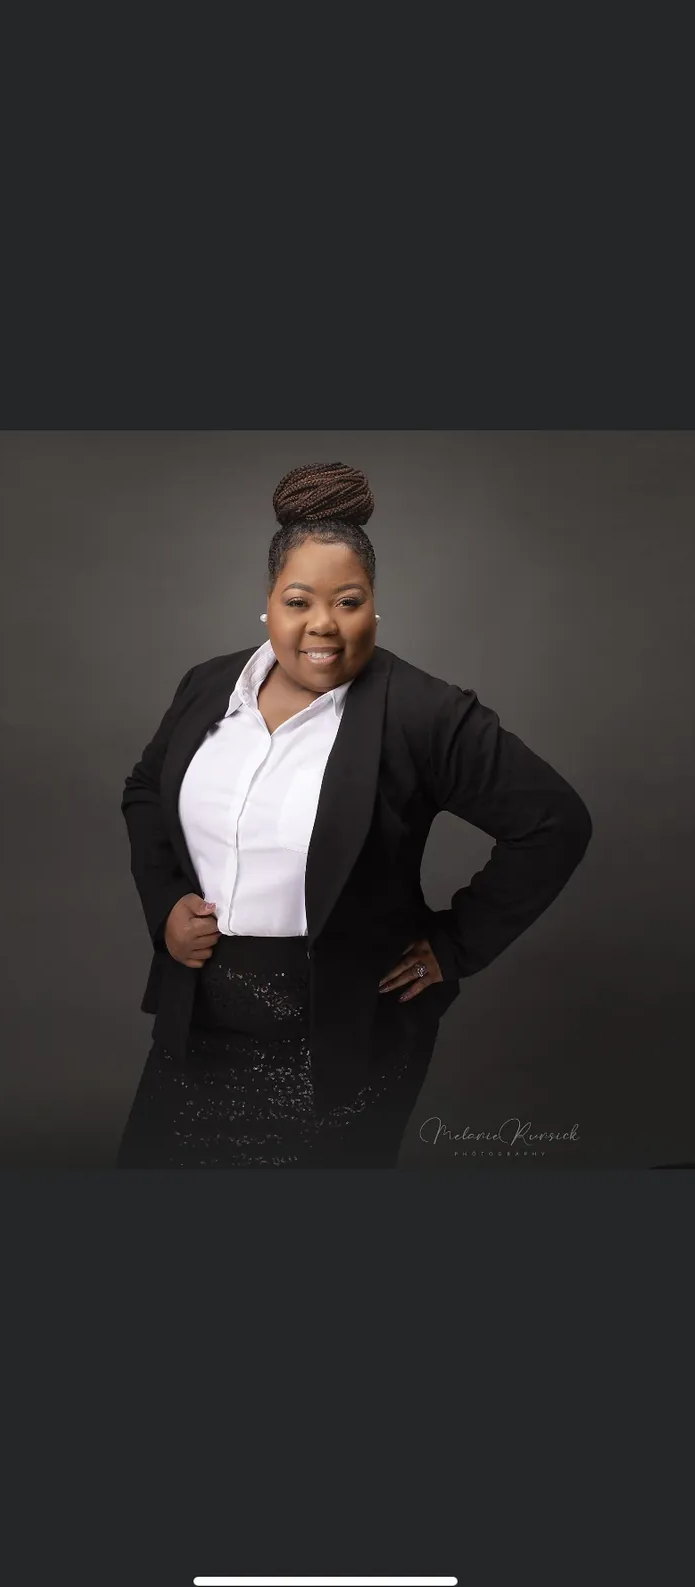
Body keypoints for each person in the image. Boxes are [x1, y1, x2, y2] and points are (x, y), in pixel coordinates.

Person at [116, 461, 592, 1169]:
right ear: (268, 603)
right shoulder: (209, 687)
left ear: (374, 605)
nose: (323, 625)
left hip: (343, 1043)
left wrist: (452, 946)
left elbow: (554, 823)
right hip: (197, 1028)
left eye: (348, 601)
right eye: (298, 600)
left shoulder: (424, 713)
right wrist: (164, 905)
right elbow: (145, 791)